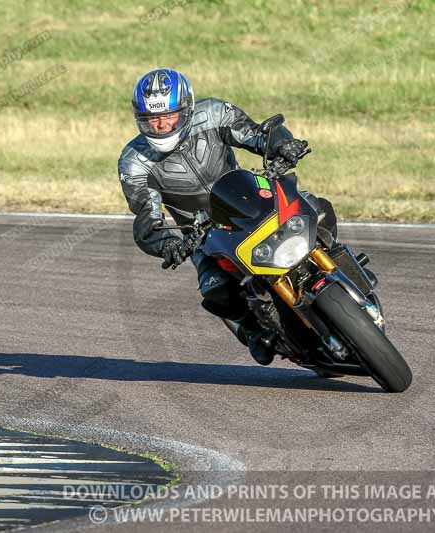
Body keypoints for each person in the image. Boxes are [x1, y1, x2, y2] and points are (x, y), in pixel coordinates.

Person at [118, 68, 337, 366]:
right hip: (202, 234)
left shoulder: (213, 113)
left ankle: (337, 261)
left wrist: (281, 146)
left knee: (316, 207)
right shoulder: (134, 162)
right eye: (152, 119)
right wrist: (168, 243)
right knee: (215, 288)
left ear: (188, 107)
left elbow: (256, 134)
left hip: (248, 201)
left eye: (169, 116)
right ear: (139, 119)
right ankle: (253, 331)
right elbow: (147, 219)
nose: (162, 125)